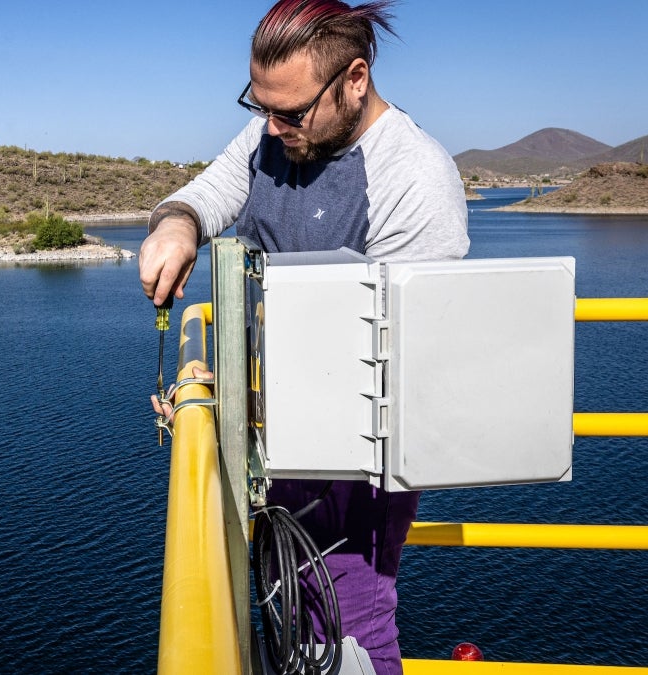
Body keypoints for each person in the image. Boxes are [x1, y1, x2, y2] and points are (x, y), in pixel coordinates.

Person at [141, 1, 469, 673]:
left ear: (355, 79)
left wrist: (238, 409)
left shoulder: (414, 177)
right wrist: (175, 226)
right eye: (259, 105)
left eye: (290, 112)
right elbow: (204, 196)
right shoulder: (271, 135)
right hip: (286, 425)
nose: (270, 126)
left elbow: (403, 369)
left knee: (350, 618)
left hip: (360, 453)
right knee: (294, 608)